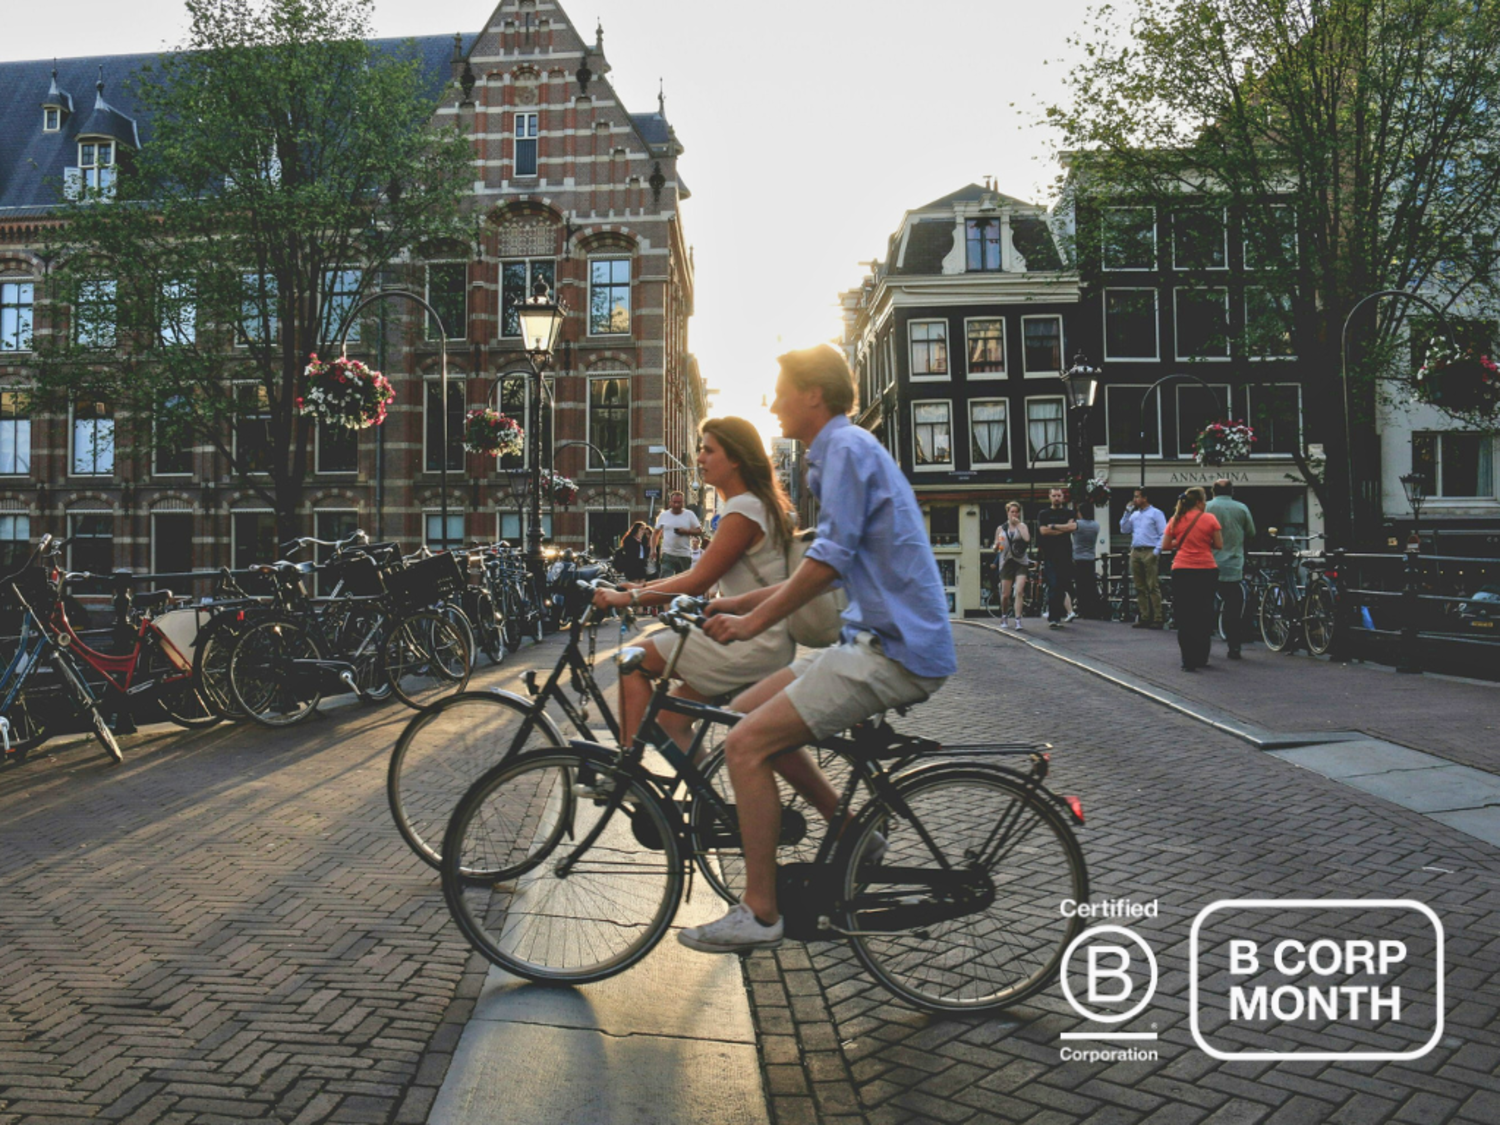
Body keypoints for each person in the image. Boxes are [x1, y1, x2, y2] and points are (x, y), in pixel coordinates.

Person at [682, 344, 955, 954]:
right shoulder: (835, 454)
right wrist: (737, 605)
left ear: (812, 394)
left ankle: (759, 911)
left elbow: (828, 562)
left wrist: (753, 623)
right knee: (743, 715)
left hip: (894, 650)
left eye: (781, 391)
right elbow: (832, 562)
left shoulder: (847, 450)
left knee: (744, 744)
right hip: (869, 639)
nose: (773, 403)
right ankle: (855, 834)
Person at [593, 418, 800, 756]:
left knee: (632, 661)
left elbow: (697, 580)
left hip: (746, 639)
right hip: (763, 637)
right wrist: (642, 586)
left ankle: (626, 772)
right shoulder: (759, 504)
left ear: (735, 458)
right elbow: (699, 573)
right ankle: (704, 793)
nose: (700, 458)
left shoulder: (743, 509)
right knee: (670, 722)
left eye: (709, 450)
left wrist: (628, 597)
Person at [1161, 487, 1224, 672]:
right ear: (1198, 502)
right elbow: (1219, 544)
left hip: (1182, 569)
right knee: (1203, 613)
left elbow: (1165, 545)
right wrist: (1203, 541)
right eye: (1204, 501)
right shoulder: (1210, 519)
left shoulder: (1176, 519)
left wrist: (1181, 542)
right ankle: (1201, 656)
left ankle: (1187, 659)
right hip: (1206, 569)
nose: (1205, 504)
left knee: (1185, 615)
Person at [1205, 479, 1256, 659]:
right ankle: (1234, 646)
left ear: (1213, 491)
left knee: (1206, 604)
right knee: (1233, 607)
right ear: (1232, 491)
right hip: (1233, 564)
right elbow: (1251, 532)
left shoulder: (1206, 508)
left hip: (1208, 563)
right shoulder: (1242, 508)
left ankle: (1204, 643)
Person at [1121, 487, 1167, 628]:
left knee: (1152, 585)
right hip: (1136, 550)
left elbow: (1163, 533)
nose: (1134, 500)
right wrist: (1127, 513)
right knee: (1139, 586)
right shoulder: (1134, 515)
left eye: (1137, 497)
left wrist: (1156, 551)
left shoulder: (1156, 513)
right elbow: (1124, 529)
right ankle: (1144, 616)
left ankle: (1158, 617)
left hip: (1149, 549)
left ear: (1145, 498)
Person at [1035, 488, 1077, 629]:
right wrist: (1063, 529)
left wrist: (1053, 527)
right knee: (1053, 585)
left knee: (1063, 586)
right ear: (1050, 497)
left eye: (1059, 495)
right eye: (1054, 495)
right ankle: (1054, 618)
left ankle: (1058, 615)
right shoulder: (1044, 514)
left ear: (1063, 497)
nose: (1056, 498)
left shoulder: (1069, 512)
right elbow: (1043, 531)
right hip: (1050, 555)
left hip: (1065, 554)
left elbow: (1072, 527)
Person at [994, 501, 1031, 630]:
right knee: (1005, 594)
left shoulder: (1022, 526)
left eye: (1016, 512)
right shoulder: (1001, 528)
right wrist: (996, 546)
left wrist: (1018, 525)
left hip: (1020, 561)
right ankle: (1004, 615)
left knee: (1019, 591)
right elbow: (996, 546)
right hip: (1006, 561)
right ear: (1007, 513)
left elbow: (1027, 539)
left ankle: (1018, 620)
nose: (1014, 514)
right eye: (1012, 512)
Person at [652, 491, 701, 579]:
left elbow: (699, 531)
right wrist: (653, 549)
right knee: (666, 579)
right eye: (674, 502)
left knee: (683, 581)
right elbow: (655, 533)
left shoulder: (689, 514)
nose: (677, 505)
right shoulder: (664, 515)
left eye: (679, 502)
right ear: (670, 502)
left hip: (684, 554)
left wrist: (686, 531)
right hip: (668, 553)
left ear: (683, 503)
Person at [1071, 503, 1103, 620]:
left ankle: (1083, 609)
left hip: (1078, 558)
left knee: (1080, 585)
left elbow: (1067, 528)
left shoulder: (1077, 525)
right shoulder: (1096, 525)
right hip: (1090, 557)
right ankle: (1094, 610)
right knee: (1090, 585)